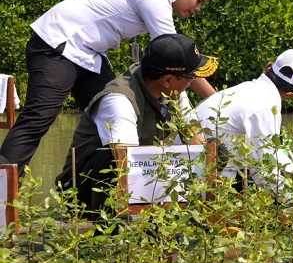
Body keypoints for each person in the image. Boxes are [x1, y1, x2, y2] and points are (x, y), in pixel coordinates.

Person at [0, 0, 218, 172]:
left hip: (90, 55)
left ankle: (80, 189)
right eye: (198, 0)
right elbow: (179, 64)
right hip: (59, 42)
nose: (197, 9)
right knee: (37, 120)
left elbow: (179, 70)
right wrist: (216, 100)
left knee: (112, 112)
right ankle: (3, 189)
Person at [56, 33, 216, 212]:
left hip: (140, 179)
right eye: (191, 76)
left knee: (210, 150)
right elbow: (128, 166)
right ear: (168, 80)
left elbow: (197, 141)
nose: (192, 82)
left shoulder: (174, 92)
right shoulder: (119, 101)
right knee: (117, 159)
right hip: (85, 191)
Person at [192, 49, 293, 194]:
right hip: (200, 174)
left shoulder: (249, 88)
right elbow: (265, 171)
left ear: (269, 67)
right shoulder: (267, 106)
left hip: (189, 158)